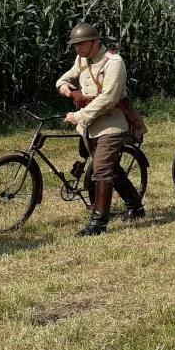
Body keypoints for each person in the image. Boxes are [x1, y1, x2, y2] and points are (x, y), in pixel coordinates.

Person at [56, 22, 145, 236]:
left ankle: (99, 223)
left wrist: (78, 116)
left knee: (102, 171)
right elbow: (68, 75)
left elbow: (109, 98)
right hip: (90, 126)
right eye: (75, 44)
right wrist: (63, 85)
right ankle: (136, 206)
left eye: (82, 43)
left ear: (96, 41)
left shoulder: (114, 62)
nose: (78, 48)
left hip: (111, 124)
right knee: (113, 169)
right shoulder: (83, 59)